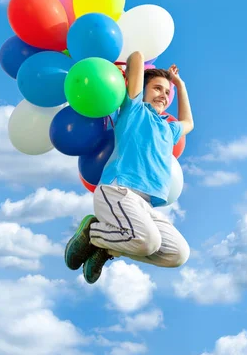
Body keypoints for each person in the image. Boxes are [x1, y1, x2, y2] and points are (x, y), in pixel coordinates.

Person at [64, 50, 194, 284]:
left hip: (145, 205)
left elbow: (189, 123)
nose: (163, 95)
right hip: (118, 191)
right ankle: (93, 232)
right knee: (148, 242)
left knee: (178, 254)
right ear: (142, 90)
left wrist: (179, 84)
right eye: (157, 88)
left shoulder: (169, 128)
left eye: (167, 92)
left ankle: (108, 248)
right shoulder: (134, 109)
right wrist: (141, 64)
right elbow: (136, 57)